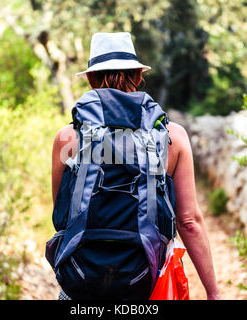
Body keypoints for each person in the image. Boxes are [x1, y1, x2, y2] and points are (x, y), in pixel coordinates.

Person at [51, 32, 220, 300]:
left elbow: (62, 216)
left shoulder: (67, 138)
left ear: (91, 79)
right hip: (146, 281)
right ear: (139, 76)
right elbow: (189, 222)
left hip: (83, 280)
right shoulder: (172, 137)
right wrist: (213, 294)